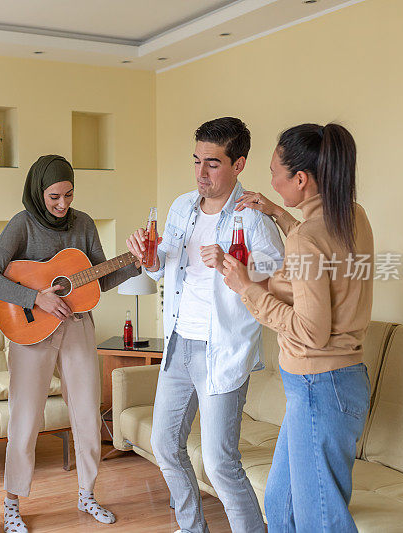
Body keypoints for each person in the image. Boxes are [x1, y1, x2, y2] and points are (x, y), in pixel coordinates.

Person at [127, 117, 284, 533]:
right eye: (196, 161)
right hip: (179, 342)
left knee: (219, 462)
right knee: (164, 443)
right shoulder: (182, 206)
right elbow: (165, 267)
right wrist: (150, 260)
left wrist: (237, 264)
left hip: (224, 348)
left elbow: (281, 275)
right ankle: (192, 527)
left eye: (212, 163)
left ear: (239, 164)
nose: (201, 173)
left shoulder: (252, 218)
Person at [222, 123, 374, 532]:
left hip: (319, 386)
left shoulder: (309, 238)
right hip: (336, 383)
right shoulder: (351, 216)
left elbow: (310, 331)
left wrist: (247, 289)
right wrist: (276, 212)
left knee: (319, 522)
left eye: (275, 172)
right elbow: (321, 254)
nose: (270, 180)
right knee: (281, 503)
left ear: (301, 179)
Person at [0, 154, 138, 533]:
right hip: (32, 333)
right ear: (38, 192)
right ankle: (12, 503)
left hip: (78, 326)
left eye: (68, 195)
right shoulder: (22, 224)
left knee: (86, 411)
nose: (63, 205)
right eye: (54, 197)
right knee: (26, 418)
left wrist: (137, 262)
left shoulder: (83, 224)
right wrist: (37, 299)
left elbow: (99, 279)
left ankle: (87, 494)